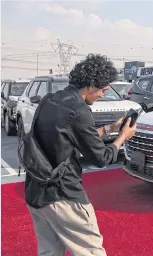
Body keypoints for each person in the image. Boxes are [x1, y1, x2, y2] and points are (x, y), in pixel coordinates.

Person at [23, 54, 137, 255]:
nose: (103, 94)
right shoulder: (79, 110)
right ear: (91, 85)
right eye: (103, 89)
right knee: (91, 251)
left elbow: (66, 139)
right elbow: (101, 158)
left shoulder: (50, 100)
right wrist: (122, 138)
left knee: (49, 252)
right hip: (63, 194)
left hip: (36, 190)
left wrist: (110, 128)